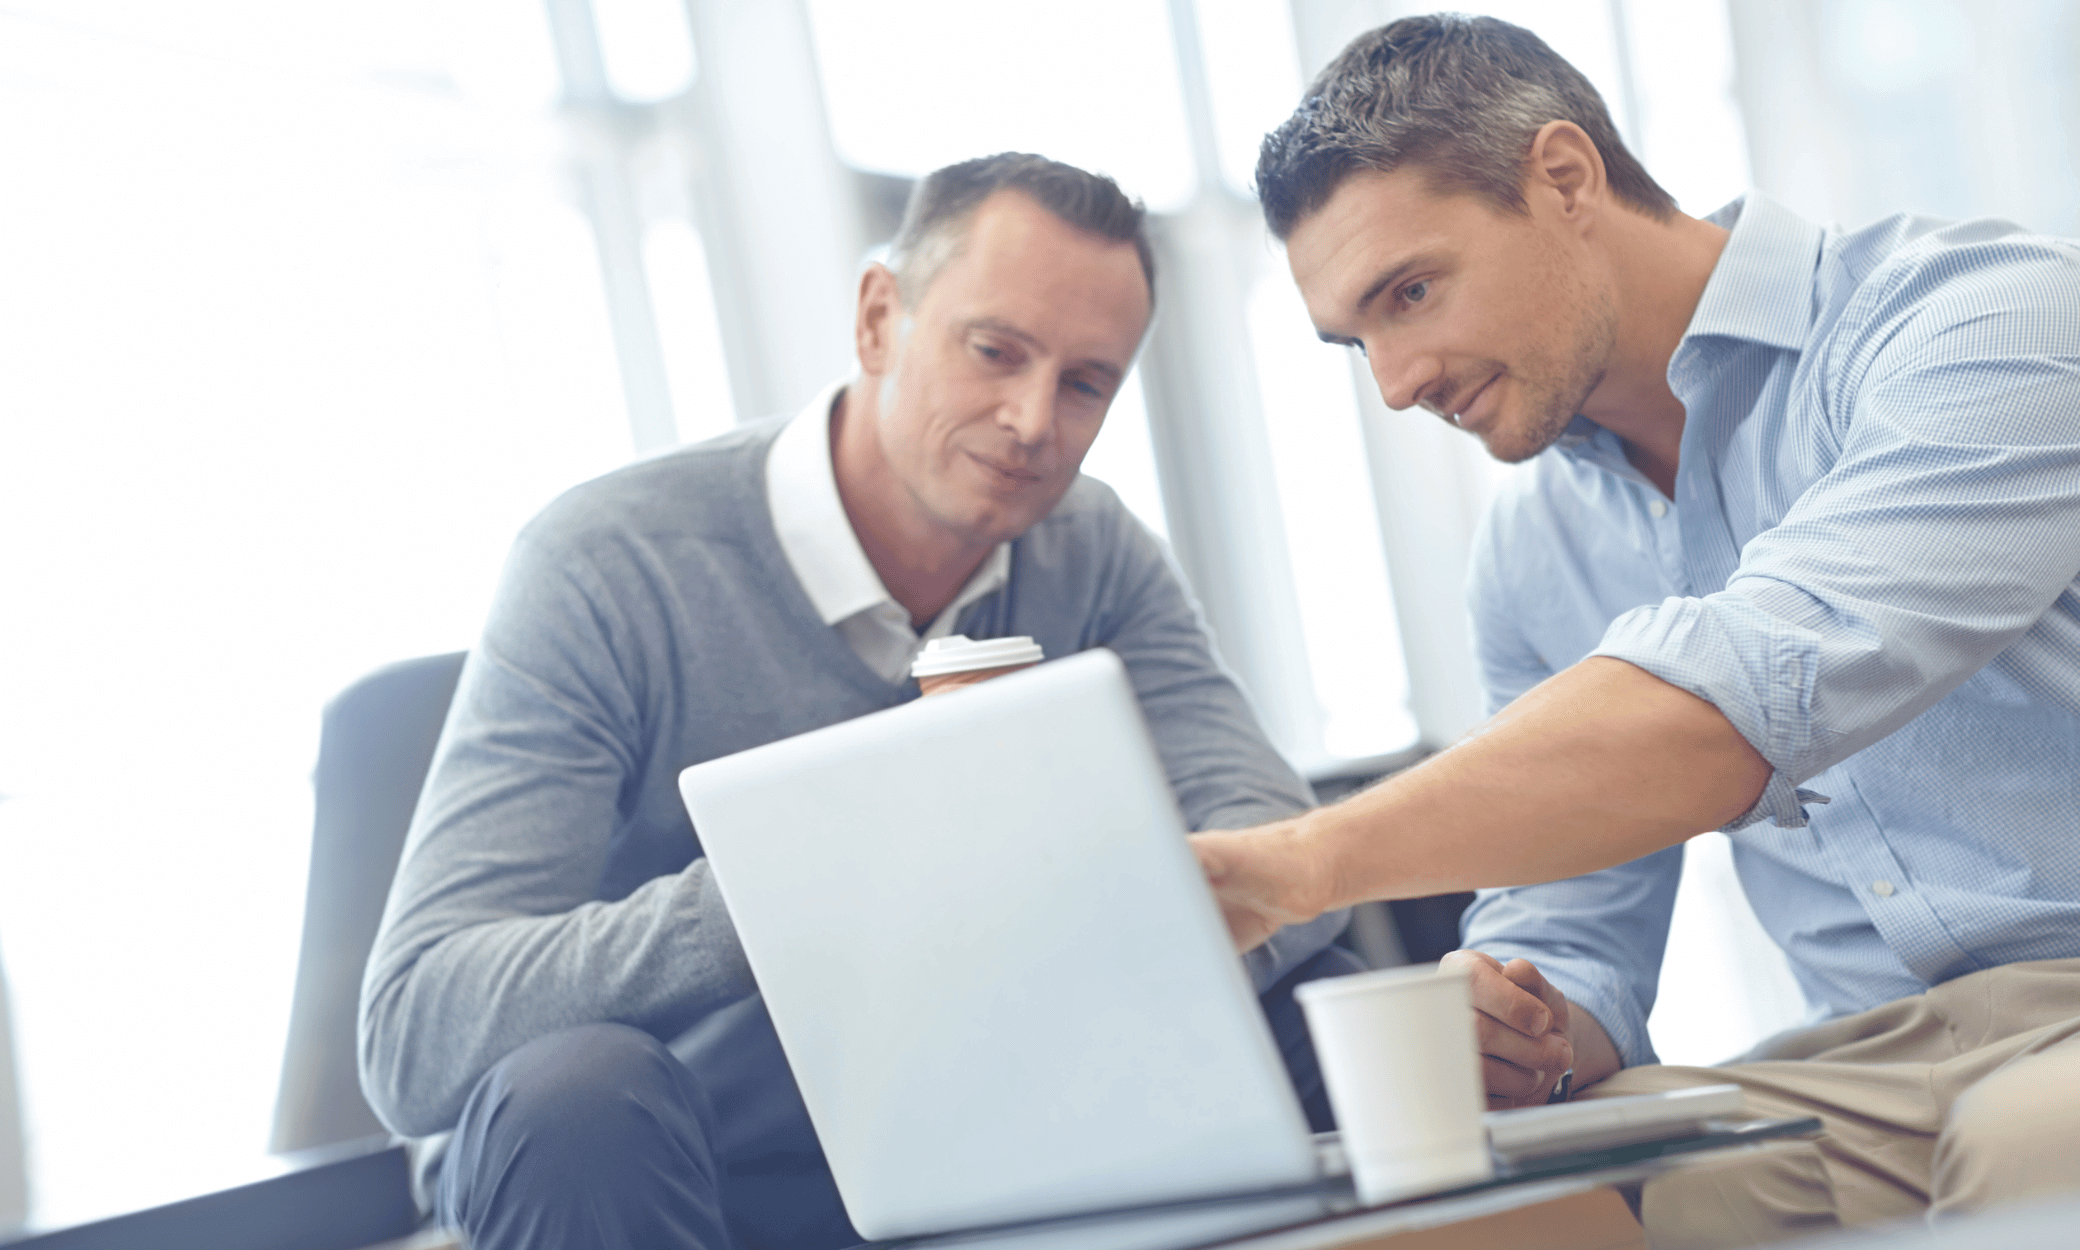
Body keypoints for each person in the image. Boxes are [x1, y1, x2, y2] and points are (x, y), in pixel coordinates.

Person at [1193, 14, 2080, 1247]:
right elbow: (1573, 927)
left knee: (2029, 1146)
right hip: (1855, 1066)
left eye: (1410, 292)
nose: (1394, 382)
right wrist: (1518, 1012)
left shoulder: (1983, 323)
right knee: (1479, 1203)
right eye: (1358, 338)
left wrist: (1297, 860)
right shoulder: (1528, 557)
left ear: (1563, 178)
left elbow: (1750, 690)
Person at [358, 153, 1356, 1250]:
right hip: (681, 1156)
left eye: (1084, 384)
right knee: (579, 1094)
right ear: (880, 318)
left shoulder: (1090, 549)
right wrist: (808, 879)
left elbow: (1287, 850)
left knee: (1321, 1008)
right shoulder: (608, 562)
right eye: (994, 351)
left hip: (982, 1113)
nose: (1032, 421)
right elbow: (417, 1030)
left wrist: (1100, 925)